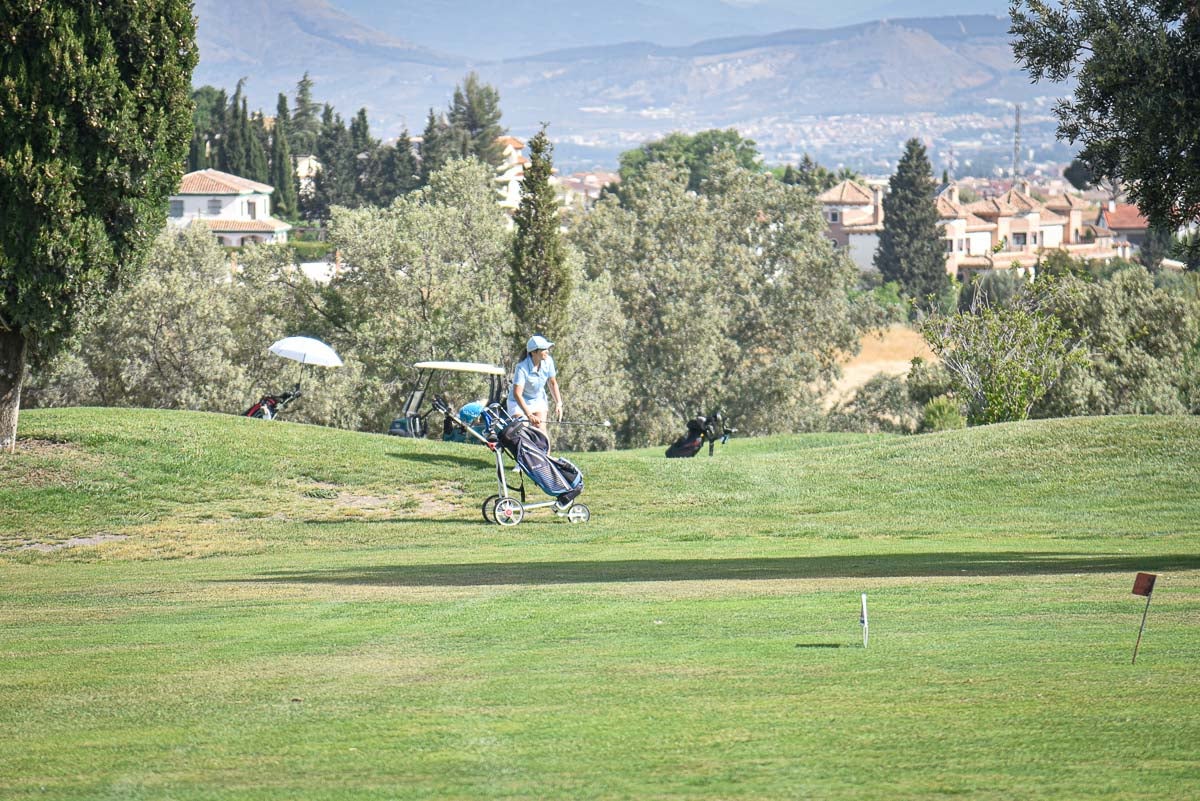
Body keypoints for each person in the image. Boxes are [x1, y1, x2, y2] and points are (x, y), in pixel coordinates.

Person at [507, 334, 563, 435]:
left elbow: (552, 382)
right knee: (522, 429)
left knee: (540, 431)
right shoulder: (521, 367)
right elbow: (517, 394)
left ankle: (545, 451)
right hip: (518, 402)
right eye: (543, 349)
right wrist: (529, 415)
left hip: (537, 399)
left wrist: (558, 403)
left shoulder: (548, 361)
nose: (547, 351)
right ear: (533, 352)